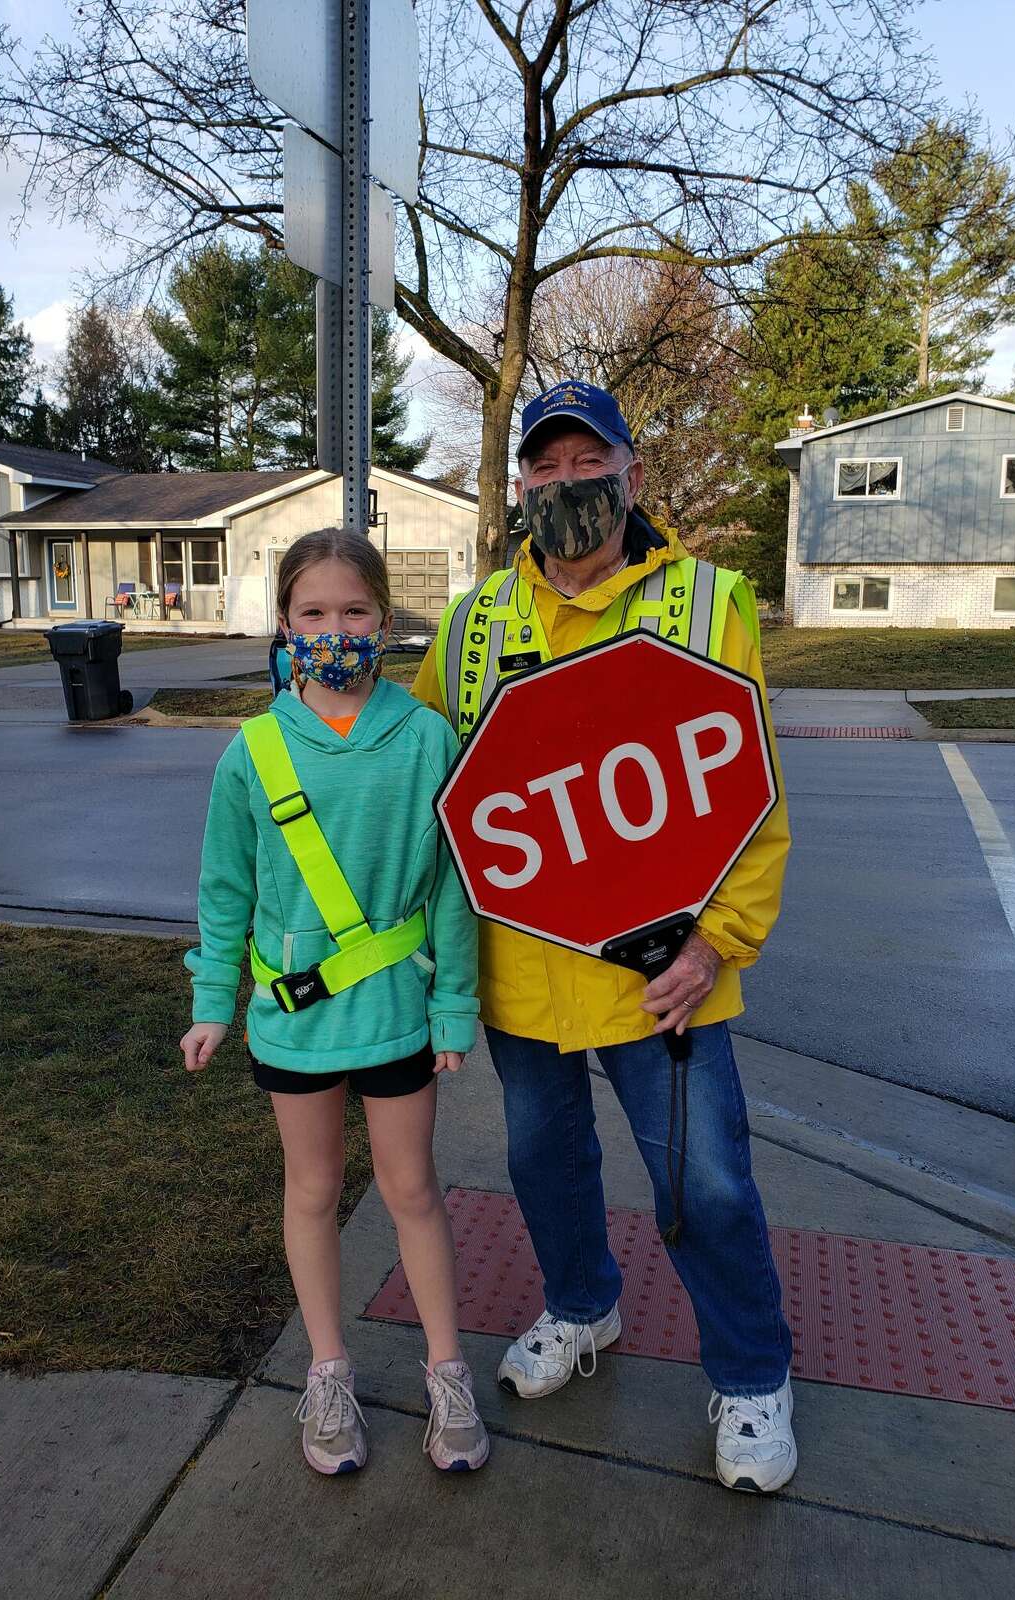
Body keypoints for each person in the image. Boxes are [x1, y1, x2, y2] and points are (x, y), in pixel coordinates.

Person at [413, 381, 796, 1494]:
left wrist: (717, 943)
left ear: (631, 472)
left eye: (591, 462)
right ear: (519, 484)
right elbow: (432, 785)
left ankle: (753, 1371)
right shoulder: (476, 619)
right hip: (522, 969)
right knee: (543, 1164)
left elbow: (753, 799)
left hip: (664, 970)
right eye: (547, 465)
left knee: (708, 1182)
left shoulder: (707, 603)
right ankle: (583, 1306)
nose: (568, 482)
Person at [181, 528, 489, 1478]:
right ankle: (327, 1372)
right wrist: (212, 1000)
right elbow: (225, 885)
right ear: (284, 624)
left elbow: (452, 884)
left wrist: (454, 1007)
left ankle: (448, 1372)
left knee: (411, 1192)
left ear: (386, 622)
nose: (335, 629)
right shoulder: (256, 750)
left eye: (355, 611)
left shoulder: (428, 736)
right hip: (293, 1017)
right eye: (313, 613)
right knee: (311, 1191)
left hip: (399, 1009)